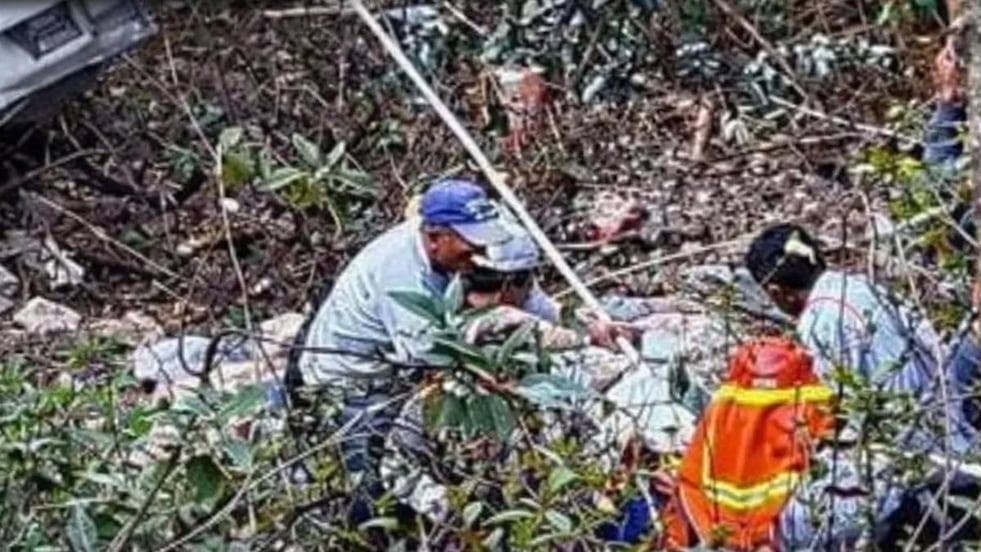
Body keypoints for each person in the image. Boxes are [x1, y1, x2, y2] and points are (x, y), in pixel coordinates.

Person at [744, 223, 981, 547]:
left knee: (785, 524)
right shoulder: (866, 288)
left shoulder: (818, 325)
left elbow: (823, 421)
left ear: (776, 292)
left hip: (913, 463)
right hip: (955, 434)